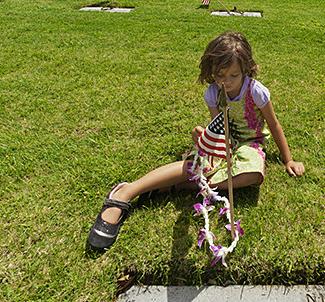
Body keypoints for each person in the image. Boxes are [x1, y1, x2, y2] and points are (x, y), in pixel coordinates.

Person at [88, 31, 306, 251]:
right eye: (220, 75)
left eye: (234, 75)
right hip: (227, 140)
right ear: (211, 71)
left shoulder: (257, 92)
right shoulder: (213, 93)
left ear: (245, 70)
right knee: (197, 162)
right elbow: (218, 126)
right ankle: (126, 192)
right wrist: (206, 135)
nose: (226, 81)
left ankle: (181, 186)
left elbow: (274, 125)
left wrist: (289, 160)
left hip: (252, 141)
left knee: (254, 175)